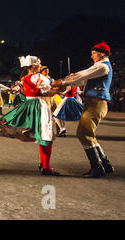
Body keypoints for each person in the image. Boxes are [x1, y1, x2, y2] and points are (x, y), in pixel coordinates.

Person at [52, 41, 114, 178]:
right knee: (88, 134)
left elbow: (82, 75)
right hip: (92, 103)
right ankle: (105, 164)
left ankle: (97, 167)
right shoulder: (99, 67)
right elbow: (81, 80)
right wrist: (65, 84)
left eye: (93, 53)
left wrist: (63, 81)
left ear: (102, 53)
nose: (92, 56)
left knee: (83, 133)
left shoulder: (103, 67)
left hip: (96, 103)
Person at [0, 55, 60, 176]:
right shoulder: (37, 76)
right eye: (39, 63)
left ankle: (43, 164)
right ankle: (46, 167)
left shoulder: (25, 78)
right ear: (34, 66)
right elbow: (48, 90)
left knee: (42, 134)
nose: (41, 65)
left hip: (30, 104)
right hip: (39, 104)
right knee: (46, 134)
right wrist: (61, 89)